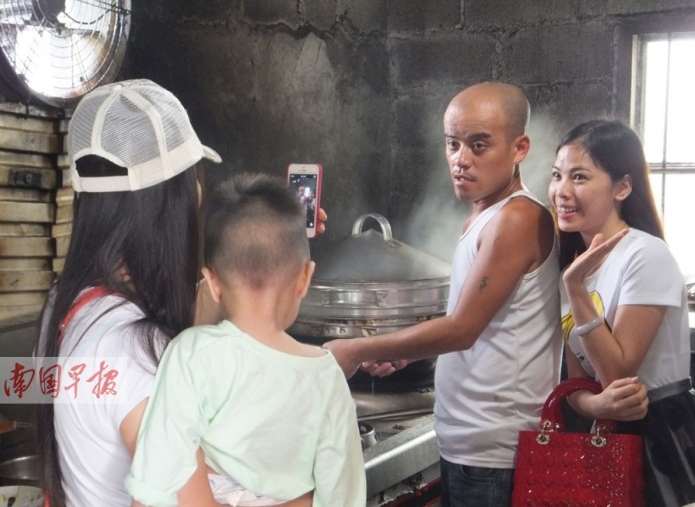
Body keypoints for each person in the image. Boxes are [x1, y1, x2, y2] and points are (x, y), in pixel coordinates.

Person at [34, 79, 317, 507]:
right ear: (172, 203)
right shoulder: (133, 352)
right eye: (194, 181)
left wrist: (267, 253)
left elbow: (188, 314)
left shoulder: (68, 301)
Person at [324, 82, 563, 506]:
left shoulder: (518, 219)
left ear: (519, 147)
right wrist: (409, 353)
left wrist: (356, 349)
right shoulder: (484, 216)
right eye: (452, 144)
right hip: (468, 442)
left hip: (495, 451)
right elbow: (478, 321)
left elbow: (462, 329)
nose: (460, 160)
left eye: (478, 145)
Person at [126, 173, 365, 507]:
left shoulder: (191, 356)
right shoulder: (326, 378)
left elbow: (152, 490)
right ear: (304, 278)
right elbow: (342, 497)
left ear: (212, 282)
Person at [549, 119, 695, 506]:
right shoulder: (571, 262)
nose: (562, 191)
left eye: (579, 177)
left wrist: (576, 290)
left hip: (658, 439)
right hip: (602, 430)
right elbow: (577, 378)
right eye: (557, 175)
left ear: (622, 187)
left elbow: (618, 371)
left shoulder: (645, 255)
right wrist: (592, 405)